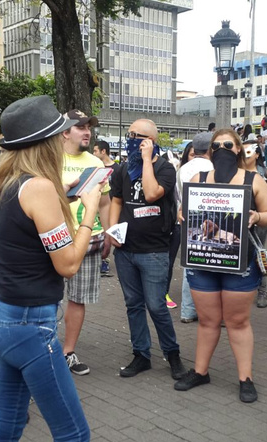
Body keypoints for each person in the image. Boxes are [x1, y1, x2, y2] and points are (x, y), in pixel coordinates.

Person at [0, 95, 98, 442]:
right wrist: (89, 213)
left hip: (4, 317)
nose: (65, 139)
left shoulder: (3, 182)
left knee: (10, 420)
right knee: (74, 435)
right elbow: (68, 264)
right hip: (30, 325)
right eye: (60, 134)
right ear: (46, 142)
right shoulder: (40, 188)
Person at [174, 129, 267, 403]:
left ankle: (245, 378)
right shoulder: (199, 178)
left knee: (237, 322)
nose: (221, 148)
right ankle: (200, 371)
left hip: (239, 264)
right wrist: (182, 212)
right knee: (207, 321)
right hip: (203, 260)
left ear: (238, 148)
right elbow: (185, 210)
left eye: (227, 144)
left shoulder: (254, 180)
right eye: (215, 145)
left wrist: (256, 215)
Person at [108, 118, 186, 380]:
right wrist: (112, 230)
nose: (131, 138)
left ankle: (172, 353)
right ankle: (141, 354)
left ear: (151, 141)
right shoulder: (122, 170)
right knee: (133, 304)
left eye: (137, 135)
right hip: (126, 251)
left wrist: (145, 160)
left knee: (156, 305)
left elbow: (152, 193)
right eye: (129, 133)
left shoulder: (165, 168)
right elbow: (116, 200)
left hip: (154, 250)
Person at [60, 109, 111, 376]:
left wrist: (109, 233)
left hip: (89, 238)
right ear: (65, 132)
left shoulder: (96, 163)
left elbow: (104, 201)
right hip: (53, 240)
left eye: (89, 126)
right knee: (48, 298)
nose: (87, 131)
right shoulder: (50, 158)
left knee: (78, 299)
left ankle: (68, 352)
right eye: (80, 127)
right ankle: (45, 350)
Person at [176, 134, 215, 323]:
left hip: (187, 217)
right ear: (210, 149)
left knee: (189, 263)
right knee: (210, 262)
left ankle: (187, 310)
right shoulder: (212, 168)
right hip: (210, 219)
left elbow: (178, 194)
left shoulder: (183, 168)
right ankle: (207, 311)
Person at [243, 138, 267, 309]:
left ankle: (262, 290)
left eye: (248, 151)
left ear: (257, 153)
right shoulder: (236, 172)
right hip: (240, 220)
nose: (244, 154)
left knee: (259, 253)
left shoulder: (264, 173)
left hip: (259, 221)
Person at [92, 139, 119, 277]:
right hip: (97, 207)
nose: (94, 153)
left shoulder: (117, 169)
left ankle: (105, 261)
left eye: (96, 150)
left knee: (107, 233)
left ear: (103, 151)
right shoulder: (96, 167)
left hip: (112, 206)